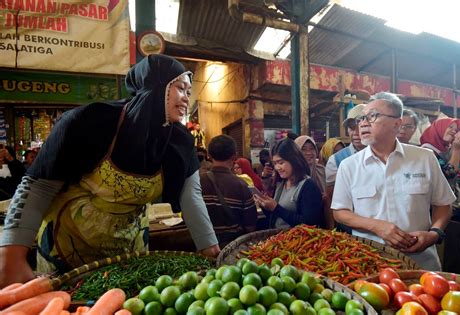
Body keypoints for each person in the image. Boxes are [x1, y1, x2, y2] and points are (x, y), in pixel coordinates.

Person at [0, 55, 220, 287]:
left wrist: (209, 246)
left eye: (189, 91)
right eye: (180, 88)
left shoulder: (180, 141)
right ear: (158, 86)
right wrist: (11, 255)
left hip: (128, 256)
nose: (187, 98)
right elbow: (39, 186)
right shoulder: (89, 122)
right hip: (66, 254)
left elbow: (191, 195)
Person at [331, 92, 455, 270]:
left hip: (421, 264)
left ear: (397, 124)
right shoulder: (348, 166)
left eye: (372, 116)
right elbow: (340, 212)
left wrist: (434, 234)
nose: (363, 123)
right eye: (362, 118)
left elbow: (443, 205)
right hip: (369, 265)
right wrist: (377, 227)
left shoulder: (424, 158)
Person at [253, 138, 325, 229]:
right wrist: (264, 205)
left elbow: (309, 224)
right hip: (279, 238)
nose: (277, 167)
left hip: (298, 241)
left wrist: (276, 208)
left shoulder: (308, 186)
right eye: (275, 163)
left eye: (281, 163)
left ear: (293, 160)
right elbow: (277, 218)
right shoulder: (281, 183)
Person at [200, 135, 257, 247]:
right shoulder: (241, 185)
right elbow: (250, 225)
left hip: (204, 246)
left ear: (209, 155)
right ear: (234, 156)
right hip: (232, 248)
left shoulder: (197, 182)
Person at [325, 104, 366, 231]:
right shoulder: (336, 160)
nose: (356, 133)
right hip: (348, 226)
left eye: (361, 127)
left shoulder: (382, 155)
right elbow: (331, 197)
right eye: (352, 128)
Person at [420, 117, 460, 202]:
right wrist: (456, 150)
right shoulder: (427, 150)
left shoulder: (445, 148)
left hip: (445, 197)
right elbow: (448, 174)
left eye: (455, 129)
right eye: (450, 127)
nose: (453, 131)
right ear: (439, 128)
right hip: (434, 201)